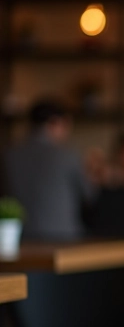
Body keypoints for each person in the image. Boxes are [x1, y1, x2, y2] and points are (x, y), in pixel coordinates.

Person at [3, 100, 96, 239]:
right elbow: (89, 195)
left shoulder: (8, 155)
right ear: (55, 123)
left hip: (19, 236)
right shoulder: (67, 155)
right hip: (63, 237)